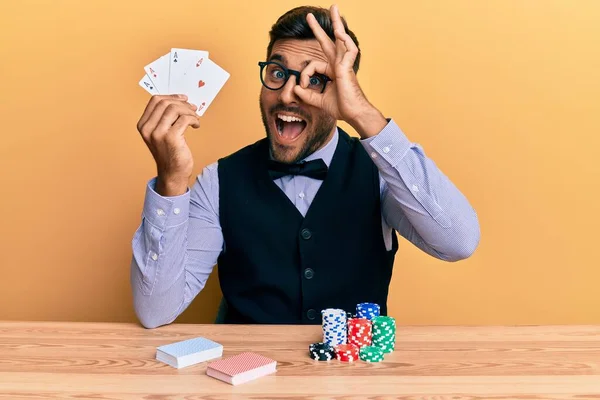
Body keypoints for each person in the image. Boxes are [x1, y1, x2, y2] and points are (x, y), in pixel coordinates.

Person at [131, 5, 480, 328]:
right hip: (247, 381)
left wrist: (363, 114)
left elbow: (458, 242)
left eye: (315, 80)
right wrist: (171, 182)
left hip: (352, 381)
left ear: (343, 91)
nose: (287, 95)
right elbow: (155, 311)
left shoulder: (381, 173)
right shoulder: (218, 182)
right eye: (278, 72)